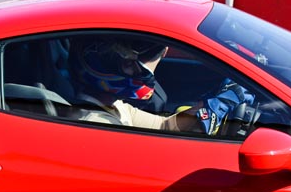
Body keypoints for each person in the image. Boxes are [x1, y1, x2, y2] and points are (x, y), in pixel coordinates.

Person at [69, 38, 256, 135]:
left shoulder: (114, 106)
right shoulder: (100, 125)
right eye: (132, 65)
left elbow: (165, 125)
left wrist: (212, 106)